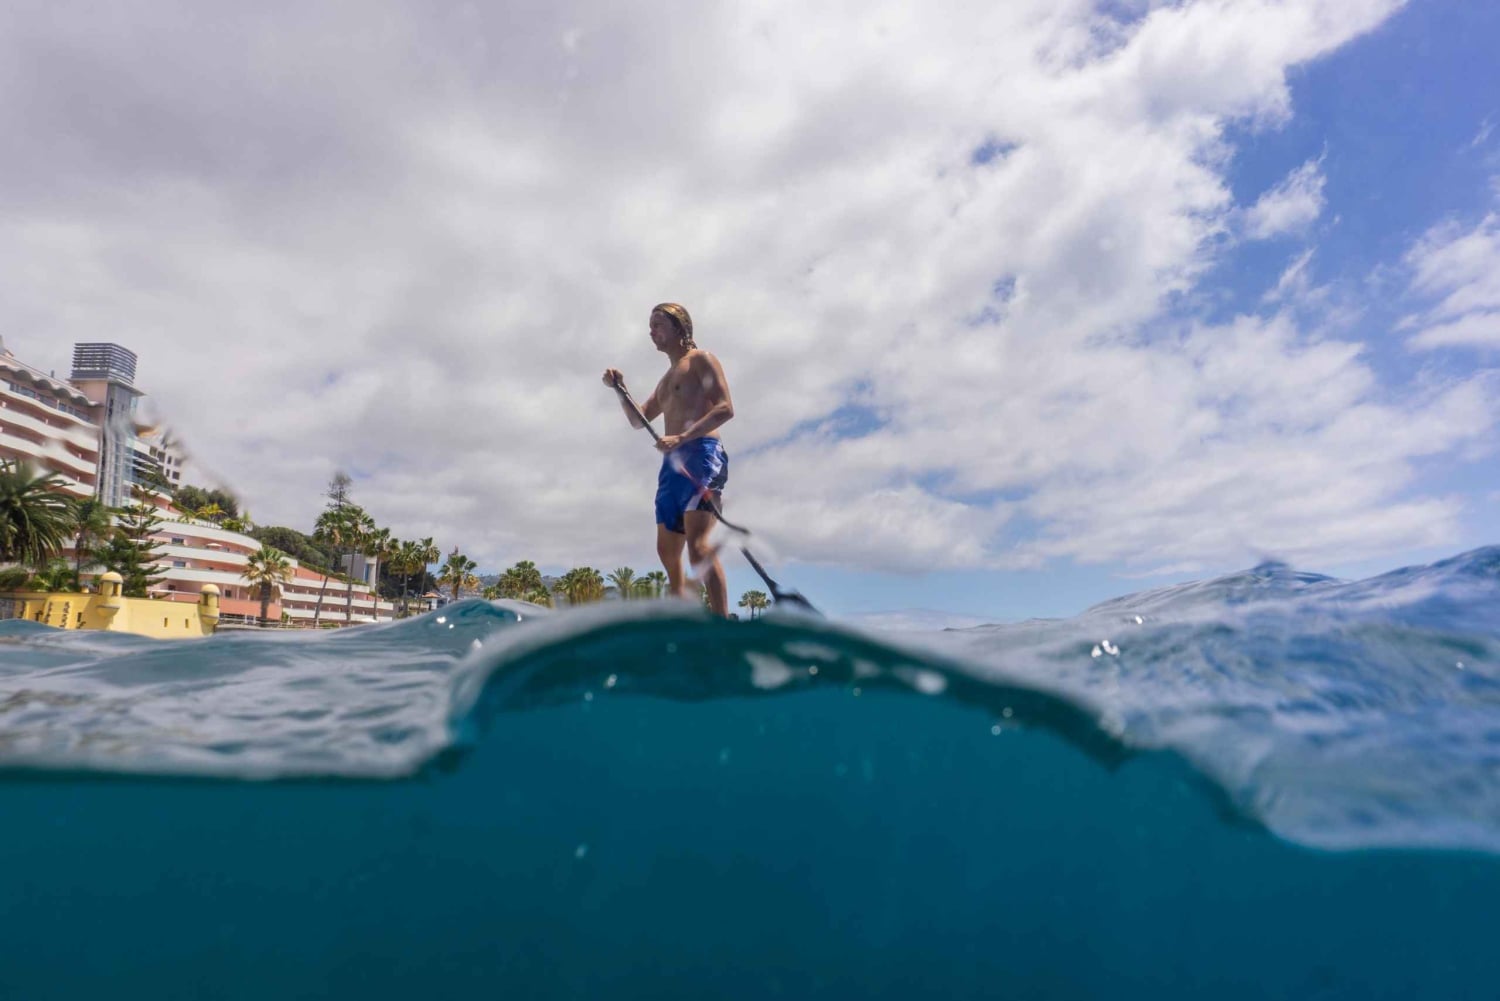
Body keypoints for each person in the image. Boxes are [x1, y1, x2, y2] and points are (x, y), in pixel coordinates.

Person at [603, 303, 735, 616]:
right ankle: (682, 623)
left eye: (658, 325)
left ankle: (721, 626)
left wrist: (682, 437)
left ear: (680, 328)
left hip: (702, 455)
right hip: (672, 466)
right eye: (650, 327)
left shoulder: (701, 360)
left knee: (698, 546)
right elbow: (640, 420)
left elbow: (725, 408)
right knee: (667, 552)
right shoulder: (665, 381)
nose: (652, 332)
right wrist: (620, 390)